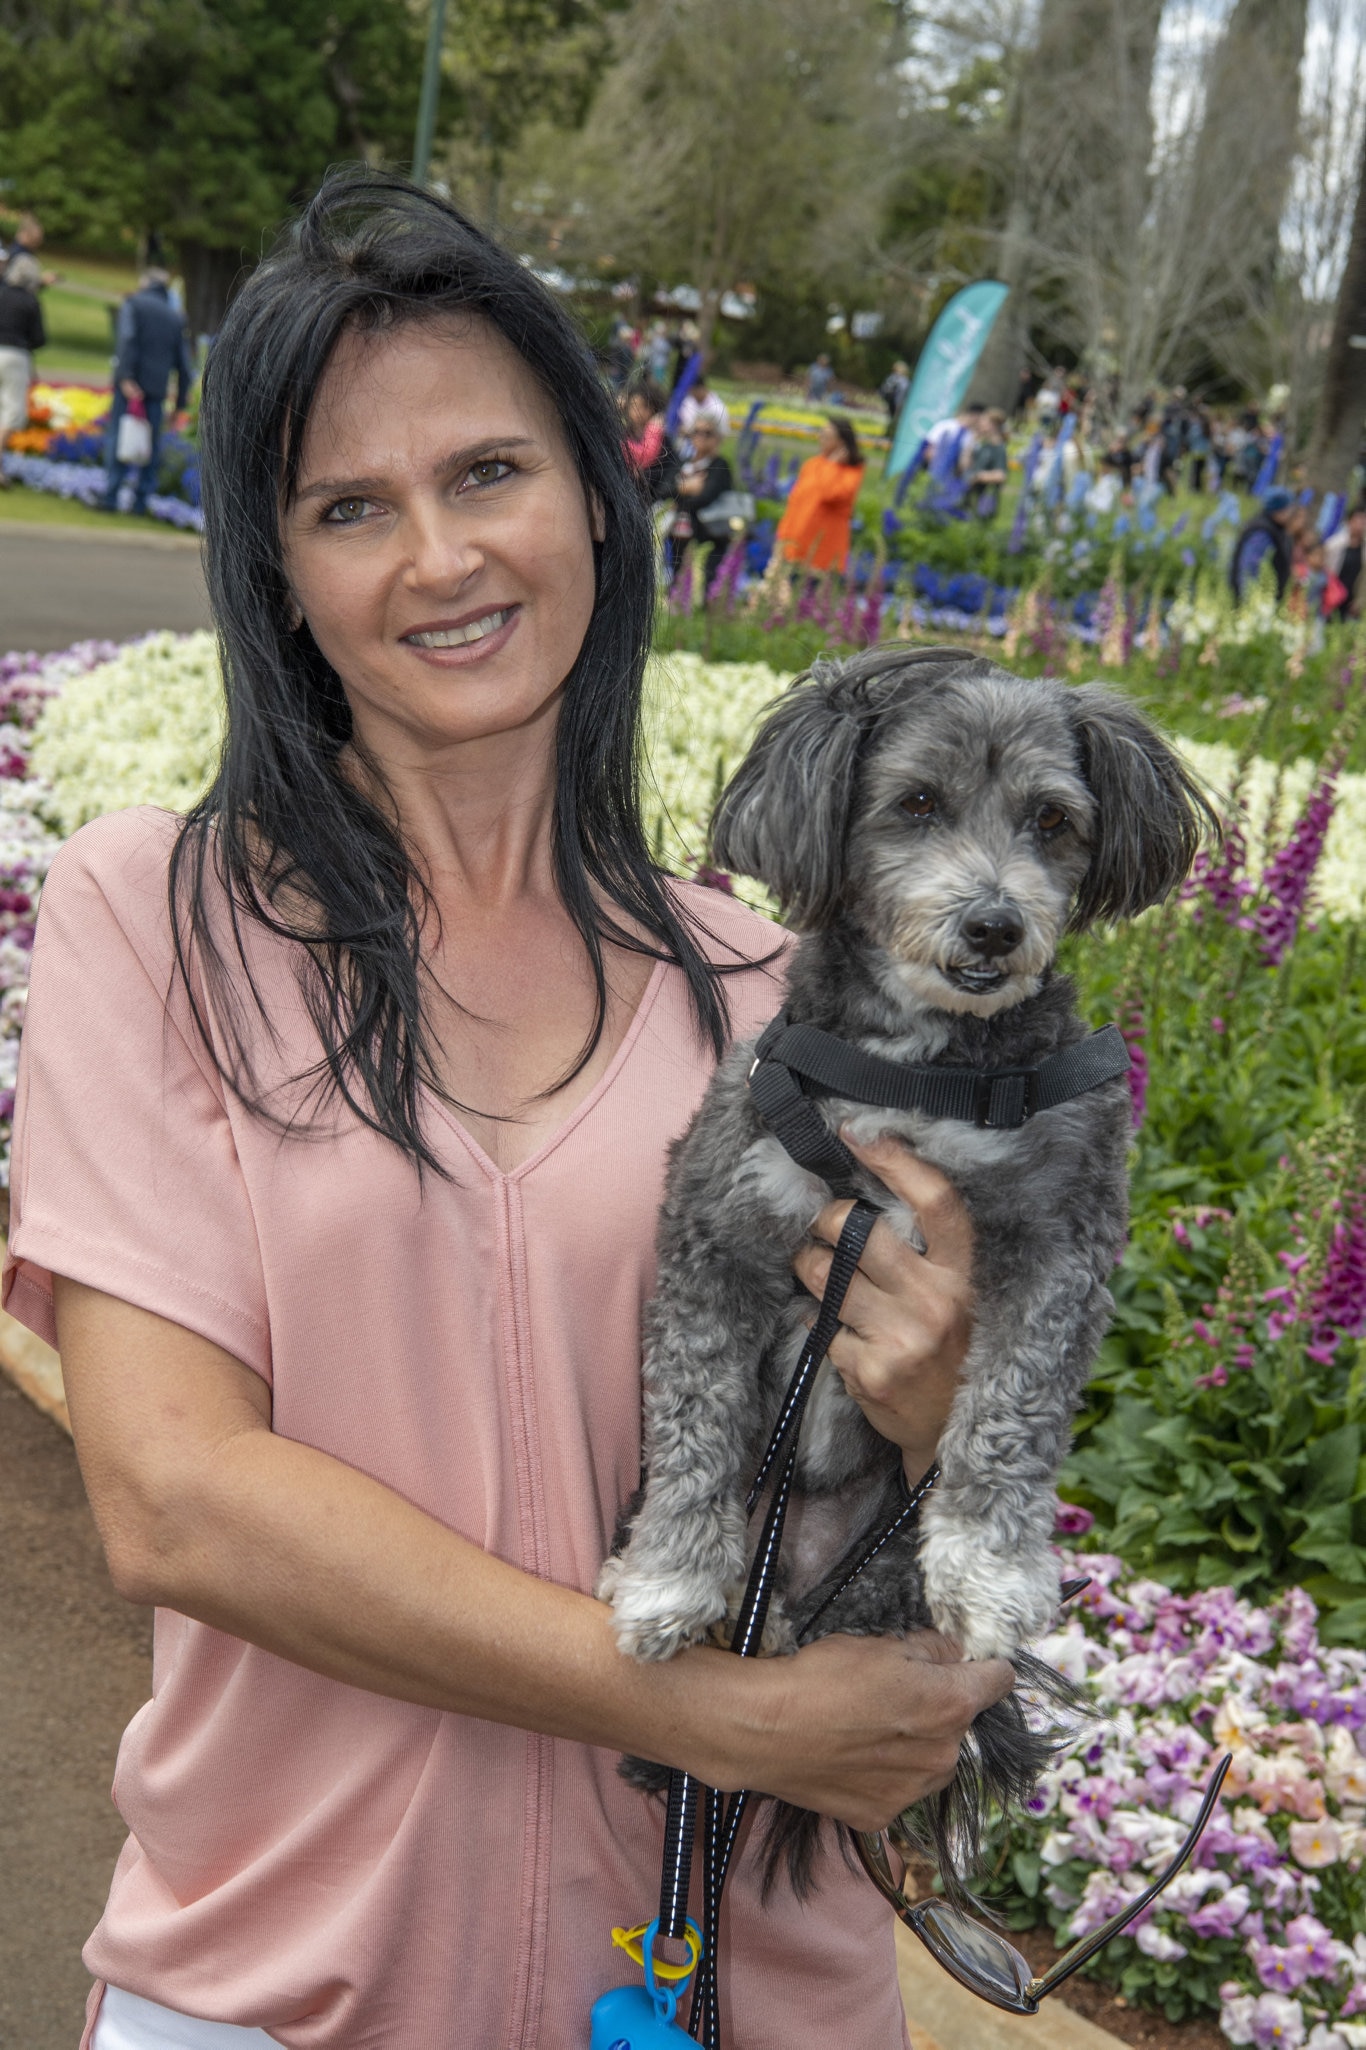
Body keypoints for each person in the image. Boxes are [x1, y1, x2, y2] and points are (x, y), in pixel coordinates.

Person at [5, 168, 1005, 2050]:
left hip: (725, 1994)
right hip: (284, 1985)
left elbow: (908, 1552)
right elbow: (177, 1502)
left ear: (594, 501)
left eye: (486, 474)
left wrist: (938, 1407)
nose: (440, 559)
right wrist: (686, 1710)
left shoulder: (777, 998)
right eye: (348, 509)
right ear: (280, 578)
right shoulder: (160, 923)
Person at [100, 265, 195, 516]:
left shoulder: (134, 304)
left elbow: (127, 340)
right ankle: (140, 502)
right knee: (149, 448)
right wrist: (180, 406)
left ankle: (111, 496)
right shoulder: (175, 317)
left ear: (145, 283)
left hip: (131, 388)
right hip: (156, 390)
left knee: (119, 439)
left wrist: (125, 376)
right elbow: (184, 365)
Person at [774, 412, 865, 573]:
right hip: (793, 546)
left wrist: (832, 465)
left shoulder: (852, 472)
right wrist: (782, 536)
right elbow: (795, 503)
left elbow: (829, 494)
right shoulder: (812, 464)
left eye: (826, 436)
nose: (820, 439)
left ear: (841, 443)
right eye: (821, 434)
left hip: (822, 556)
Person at [669, 415, 735, 586]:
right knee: (676, 585)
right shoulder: (683, 463)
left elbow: (706, 496)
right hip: (676, 537)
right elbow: (661, 490)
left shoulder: (719, 465)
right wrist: (684, 488)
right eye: (696, 432)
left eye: (707, 433)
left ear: (718, 439)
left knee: (701, 586)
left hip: (707, 539)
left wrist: (679, 498)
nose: (700, 436)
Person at [0, 263, 45, 479]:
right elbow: (38, 338)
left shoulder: (2, 293)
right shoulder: (30, 301)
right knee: (12, 411)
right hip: (15, 355)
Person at [1230, 486, 1297, 604]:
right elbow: (1248, 568)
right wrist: (1250, 601)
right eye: (1287, 509)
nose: (1290, 513)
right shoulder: (1261, 533)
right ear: (1278, 510)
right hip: (1254, 601)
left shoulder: (1275, 529)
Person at [621, 378, 680, 503]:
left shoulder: (662, 439)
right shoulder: (622, 433)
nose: (637, 411)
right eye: (633, 405)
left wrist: (642, 475)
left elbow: (669, 469)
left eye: (643, 406)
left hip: (650, 498)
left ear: (654, 408)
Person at [1325, 503, 1366, 621]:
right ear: (1349, 521)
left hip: (1350, 604)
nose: (1361, 525)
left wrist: (1360, 601)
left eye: (1364, 522)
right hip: (1331, 599)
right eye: (1358, 520)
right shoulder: (1334, 545)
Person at [966, 407, 1008, 517]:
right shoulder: (983, 444)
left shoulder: (998, 448)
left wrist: (978, 477)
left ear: (993, 425)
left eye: (983, 421)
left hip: (984, 502)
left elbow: (1001, 475)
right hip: (972, 498)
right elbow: (967, 465)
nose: (980, 424)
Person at [677, 373, 729, 440]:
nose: (691, 393)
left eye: (693, 390)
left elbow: (722, 433)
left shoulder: (718, 408)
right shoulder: (688, 401)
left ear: (701, 388)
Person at [879, 358, 910, 429]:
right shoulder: (900, 380)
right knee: (894, 418)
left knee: (893, 417)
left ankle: (891, 428)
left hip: (896, 402)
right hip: (895, 402)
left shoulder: (895, 379)